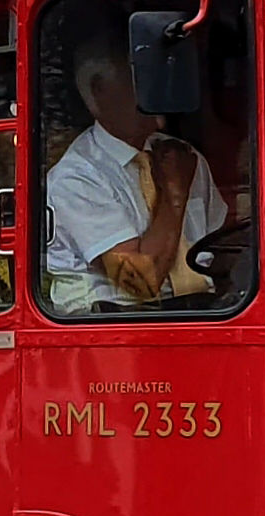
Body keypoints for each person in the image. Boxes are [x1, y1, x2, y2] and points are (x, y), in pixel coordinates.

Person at [43, 22, 230, 311]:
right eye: (139, 81)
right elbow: (141, 282)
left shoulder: (182, 156)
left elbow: (224, 246)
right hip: (114, 324)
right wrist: (174, 197)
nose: (154, 91)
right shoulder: (76, 177)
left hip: (203, 312)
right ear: (99, 91)